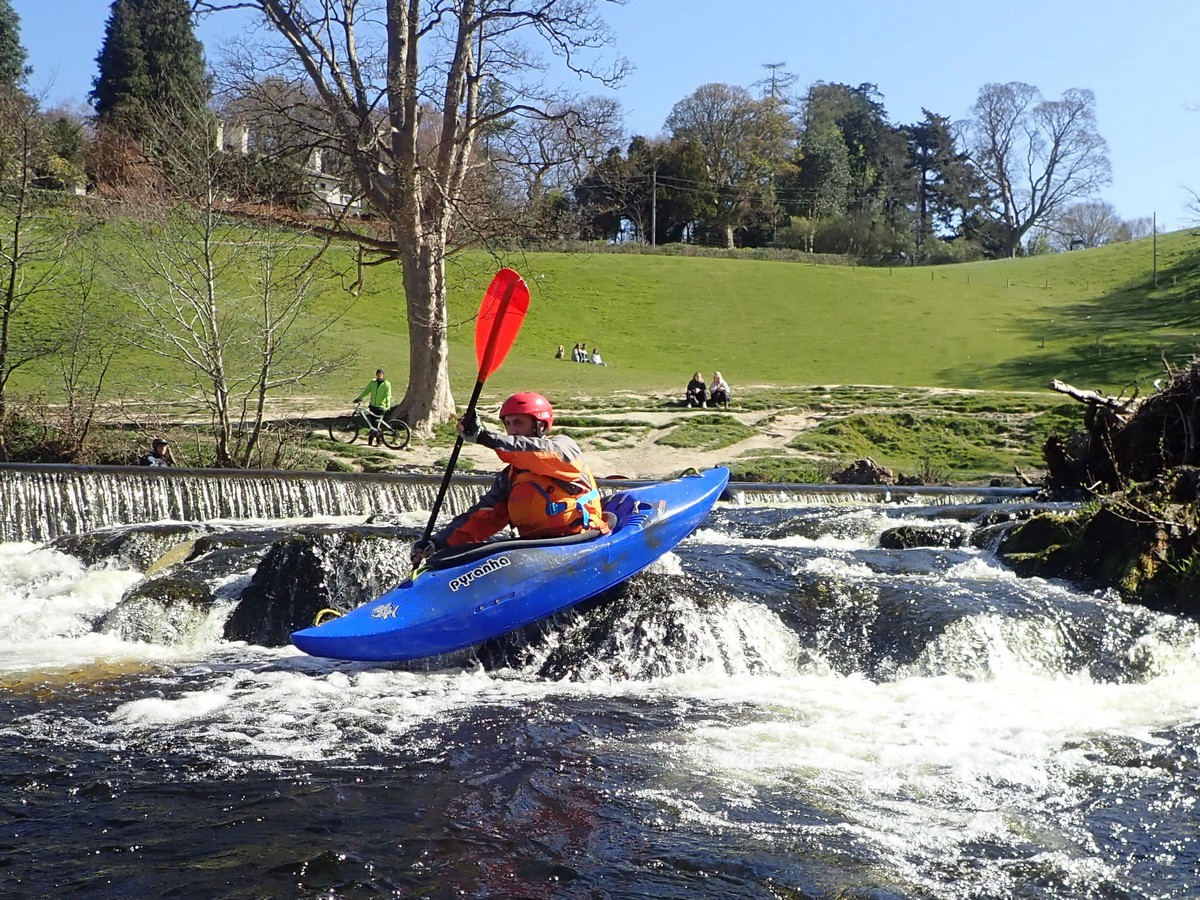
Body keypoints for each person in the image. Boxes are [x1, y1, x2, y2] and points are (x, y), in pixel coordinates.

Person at [410, 392, 608, 567]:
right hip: (537, 551)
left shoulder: (564, 450)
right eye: (508, 423)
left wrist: (486, 437)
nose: (512, 430)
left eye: (519, 422)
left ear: (540, 425)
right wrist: (437, 542)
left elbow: (534, 451)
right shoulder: (510, 477)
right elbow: (482, 518)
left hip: (581, 541)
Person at [354, 368, 393, 446]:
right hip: (372, 406)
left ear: (383, 375)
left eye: (381, 374)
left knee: (377, 425)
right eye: (378, 374)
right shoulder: (373, 382)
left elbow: (388, 395)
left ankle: (379, 441)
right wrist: (359, 398)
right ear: (376, 375)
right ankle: (370, 441)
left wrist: (387, 405)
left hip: (381, 407)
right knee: (372, 425)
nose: (379, 376)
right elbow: (366, 391)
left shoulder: (387, 384)